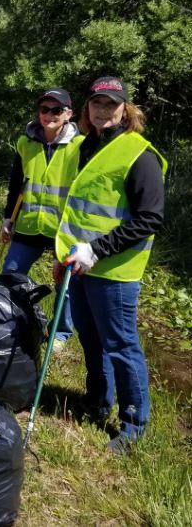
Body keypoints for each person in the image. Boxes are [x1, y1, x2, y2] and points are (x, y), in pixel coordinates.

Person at [54, 77, 166, 454]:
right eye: (96, 103)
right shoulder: (86, 146)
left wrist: (97, 250)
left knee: (120, 345)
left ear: (125, 109)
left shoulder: (139, 154)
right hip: (81, 265)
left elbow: (150, 218)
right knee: (90, 338)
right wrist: (67, 256)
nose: (102, 110)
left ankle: (134, 424)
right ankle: (96, 401)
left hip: (115, 271)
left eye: (111, 104)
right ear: (86, 108)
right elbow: (78, 210)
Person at [0, 88, 83, 353]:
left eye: (56, 110)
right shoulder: (26, 142)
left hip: (63, 228)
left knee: (65, 284)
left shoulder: (80, 146)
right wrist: (7, 218)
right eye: (45, 109)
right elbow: (17, 184)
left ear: (68, 114)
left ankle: (59, 333)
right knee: (10, 273)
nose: (49, 115)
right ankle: (9, 320)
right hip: (29, 223)